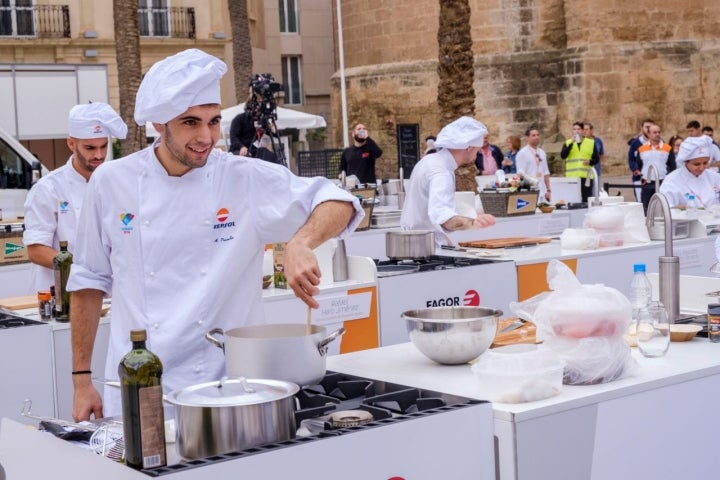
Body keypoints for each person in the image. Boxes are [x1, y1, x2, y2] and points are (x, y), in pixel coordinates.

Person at [67, 49, 363, 421]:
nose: (206, 136)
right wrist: (81, 381)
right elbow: (87, 282)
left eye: (212, 121)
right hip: (141, 382)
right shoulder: (111, 183)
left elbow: (339, 200)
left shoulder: (243, 177)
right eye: (190, 122)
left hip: (230, 385)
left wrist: (301, 243)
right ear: (160, 124)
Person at [23, 102, 127, 292]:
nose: (99, 154)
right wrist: (84, 275)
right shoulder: (48, 188)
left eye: (104, 146)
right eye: (90, 148)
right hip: (60, 293)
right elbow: (36, 251)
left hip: (107, 293)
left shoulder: (115, 184)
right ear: (71, 144)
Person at [400, 116, 496, 247]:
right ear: (468, 147)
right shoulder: (441, 172)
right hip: (424, 248)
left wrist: (445, 240)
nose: (476, 155)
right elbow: (443, 218)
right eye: (476, 150)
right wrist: (473, 223)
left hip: (413, 242)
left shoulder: (429, 160)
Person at [660, 135, 720, 209]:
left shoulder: (714, 177)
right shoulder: (672, 181)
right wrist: (680, 208)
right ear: (685, 162)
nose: (701, 168)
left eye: (705, 163)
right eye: (696, 164)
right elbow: (665, 209)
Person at [638, 124, 673, 213]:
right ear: (648, 134)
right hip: (647, 183)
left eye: (659, 132)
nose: (657, 134)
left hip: (662, 182)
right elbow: (639, 164)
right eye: (654, 132)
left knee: (663, 208)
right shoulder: (642, 149)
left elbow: (672, 165)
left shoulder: (667, 148)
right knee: (647, 208)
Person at [560, 121, 599, 202]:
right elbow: (563, 155)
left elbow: (596, 159)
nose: (576, 131)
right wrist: (571, 143)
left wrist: (590, 161)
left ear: (582, 131)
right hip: (572, 177)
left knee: (586, 200)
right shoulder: (568, 142)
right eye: (574, 129)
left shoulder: (590, 143)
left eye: (578, 129)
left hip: (586, 177)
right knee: (573, 200)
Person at [515, 126, 551, 203]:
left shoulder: (542, 152)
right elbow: (520, 174)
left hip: (542, 191)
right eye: (533, 135)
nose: (536, 137)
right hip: (529, 192)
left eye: (538, 135)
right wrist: (533, 182)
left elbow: (546, 173)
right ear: (527, 138)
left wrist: (548, 190)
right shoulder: (522, 153)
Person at [628, 118, 654, 201]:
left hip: (654, 178)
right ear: (642, 128)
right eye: (646, 127)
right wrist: (636, 169)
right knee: (640, 202)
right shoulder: (635, 143)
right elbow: (631, 159)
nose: (648, 129)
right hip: (639, 178)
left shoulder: (659, 142)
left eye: (651, 127)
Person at [583, 122, 604, 186]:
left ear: (591, 130)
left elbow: (601, 155)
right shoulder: (581, 142)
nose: (584, 131)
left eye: (586, 130)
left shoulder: (598, 141)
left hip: (596, 171)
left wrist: (596, 163)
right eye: (583, 130)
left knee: (595, 192)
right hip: (585, 172)